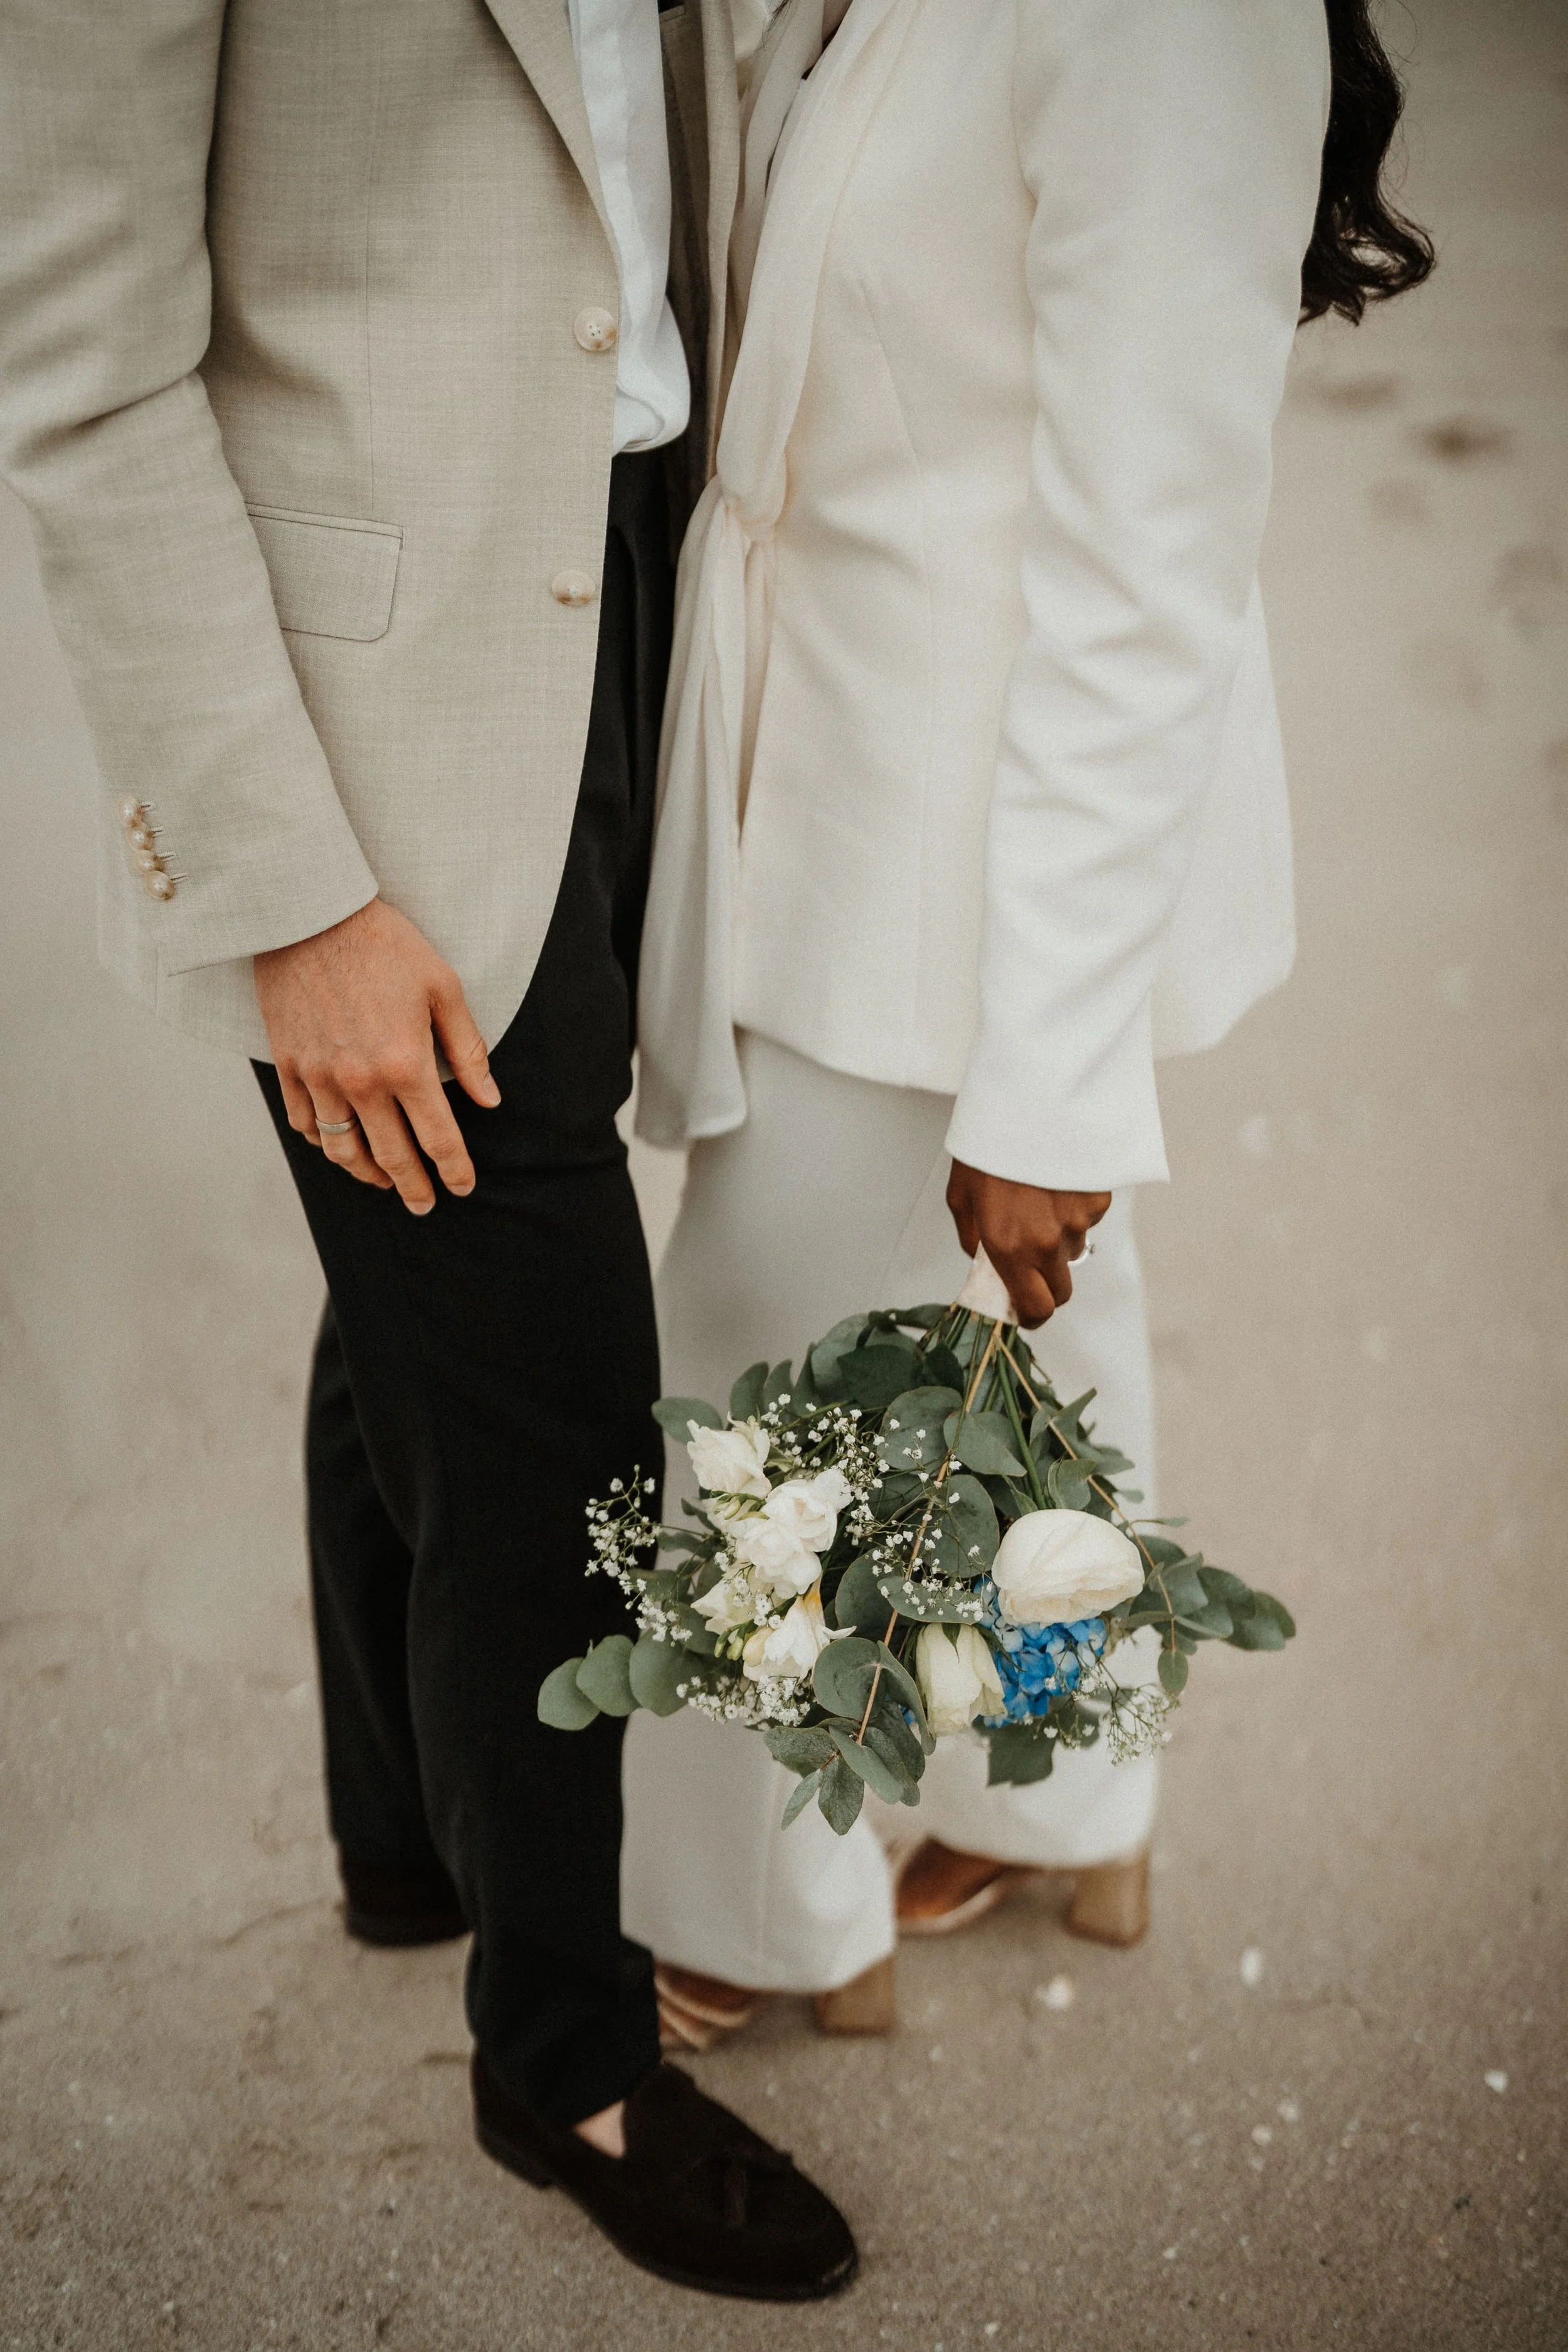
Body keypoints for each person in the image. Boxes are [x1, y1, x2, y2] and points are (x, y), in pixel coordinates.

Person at [0, 0, 858, 2304]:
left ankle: (401, 1837)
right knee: (555, 1393)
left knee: (426, 1263)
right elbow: (76, 367)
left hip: (638, 570)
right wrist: (289, 893)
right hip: (366, 705)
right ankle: (561, 2059)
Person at [621, 0, 1433, 2045]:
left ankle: (759, 1913)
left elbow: (1145, 561)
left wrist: (1051, 1071)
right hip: (854, 771)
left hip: (962, 842)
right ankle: (1066, 1791)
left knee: (754, 1370)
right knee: (1056, 1346)